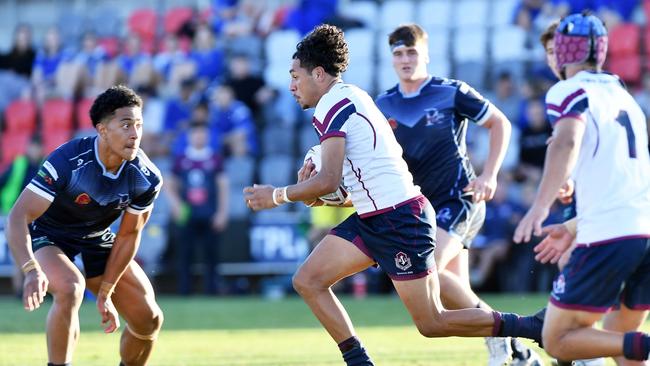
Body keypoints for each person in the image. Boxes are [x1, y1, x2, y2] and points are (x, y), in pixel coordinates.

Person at [244, 24, 543, 366]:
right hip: (377, 216)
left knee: (432, 323)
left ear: (319, 73)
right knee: (308, 280)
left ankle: (532, 326)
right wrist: (313, 195)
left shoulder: (335, 105)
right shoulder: (350, 98)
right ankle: (358, 360)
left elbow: (328, 180)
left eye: (295, 75)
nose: (291, 85)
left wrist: (279, 195)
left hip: (402, 218)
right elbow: (346, 188)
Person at [374, 23, 541, 366]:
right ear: (391, 59)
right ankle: (517, 349)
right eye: (398, 53)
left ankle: (505, 340)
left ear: (426, 54)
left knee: (426, 269)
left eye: (412, 52)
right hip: (420, 209)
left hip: (459, 199)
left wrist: (490, 174)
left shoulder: (451, 92)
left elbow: (500, 123)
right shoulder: (383, 104)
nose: (406, 59)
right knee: (456, 301)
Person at [513, 12, 650, 364]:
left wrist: (541, 205)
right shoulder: (623, 94)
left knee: (557, 339)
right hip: (643, 230)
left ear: (560, 53)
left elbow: (567, 142)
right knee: (622, 344)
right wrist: (573, 224)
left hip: (610, 235)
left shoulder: (568, 89)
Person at [5, 85, 164, 366]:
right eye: (125, 124)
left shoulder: (146, 176)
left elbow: (128, 235)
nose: (135, 133)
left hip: (95, 236)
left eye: (138, 124)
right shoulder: (67, 161)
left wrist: (106, 290)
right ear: (102, 129)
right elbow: (18, 217)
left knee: (149, 319)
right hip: (49, 234)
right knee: (71, 288)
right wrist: (30, 270)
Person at [165, 121, 229, 295]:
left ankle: (211, 292)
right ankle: (184, 292)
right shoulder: (181, 158)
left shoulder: (214, 158)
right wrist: (176, 204)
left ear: (207, 136)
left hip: (210, 213)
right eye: (196, 133)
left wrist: (222, 213)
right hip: (187, 214)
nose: (199, 137)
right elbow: (169, 183)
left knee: (212, 256)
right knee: (185, 255)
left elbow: (223, 186)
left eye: (203, 133)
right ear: (190, 136)